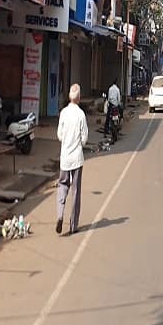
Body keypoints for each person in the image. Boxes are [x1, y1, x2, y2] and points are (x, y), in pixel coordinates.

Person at [56, 84, 89, 236]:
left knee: (62, 186)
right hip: (77, 159)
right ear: (79, 98)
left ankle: (60, 214)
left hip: (65, 158)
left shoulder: (63, 113)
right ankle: (73, 225)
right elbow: (84, 139)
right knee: (75, 191)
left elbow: (60, 135)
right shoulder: (81, 115)